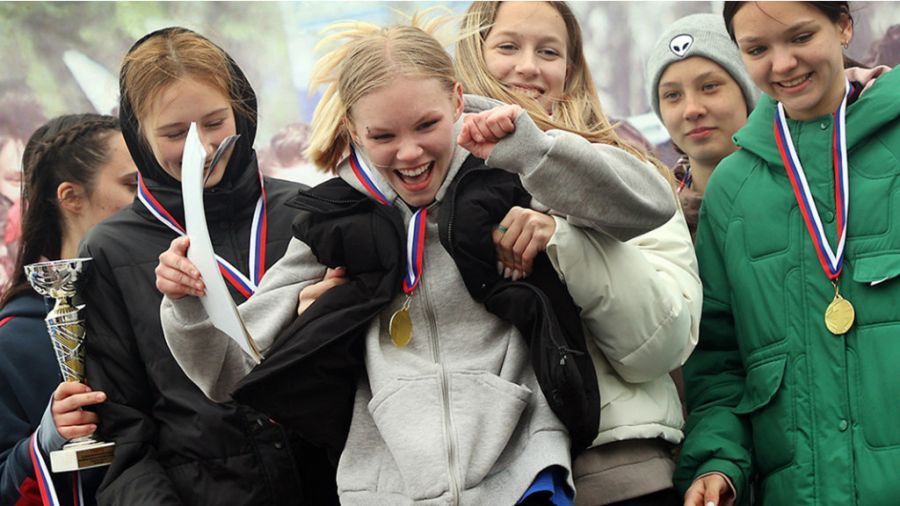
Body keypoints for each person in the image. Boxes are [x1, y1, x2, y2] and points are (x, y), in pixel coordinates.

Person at [155, 14, 678, 505]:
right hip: (384, 487)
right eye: (383, 136)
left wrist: (535, 151)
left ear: (456, 101)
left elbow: (649, 206)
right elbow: (227, 372)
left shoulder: (506, 167)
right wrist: (187, 309)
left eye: (426, 124)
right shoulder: (333, 219)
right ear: (354, 129)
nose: (409, 153)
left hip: (523, 472)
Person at [77, 27, 335, 505]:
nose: (200, 145)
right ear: (138, 136)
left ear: (242, 111)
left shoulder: (306, 211)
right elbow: (121, 434)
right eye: (174, 133)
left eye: (214, 122)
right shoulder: (111, 250)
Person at [456, 3, 702, 505]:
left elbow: (662, 344)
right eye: (508, 46)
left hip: (615, 471)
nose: (529, 66)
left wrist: (564, 240)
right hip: (479, 477)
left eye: (549, 51)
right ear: (472, 53)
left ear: (570, 71)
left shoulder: (629, 174)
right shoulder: (425, 173)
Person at [675, 2, 900, 505]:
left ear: (843, 26)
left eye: (800, 38)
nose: (782, 64)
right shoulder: (733, 187)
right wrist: (717, 460)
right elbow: (718, 356)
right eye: (758, 49)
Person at [0, 114, 136, 506]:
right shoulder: (15, 339)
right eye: (131, 184)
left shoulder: (170, 298)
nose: (148, 196)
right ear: (71, 197)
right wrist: (45, 441)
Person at [645, 13, 758, 241]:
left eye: (709, 86)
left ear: (747, 93)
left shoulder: (800, 194)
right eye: (673, 95)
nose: (691, 110)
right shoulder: (653, 222)